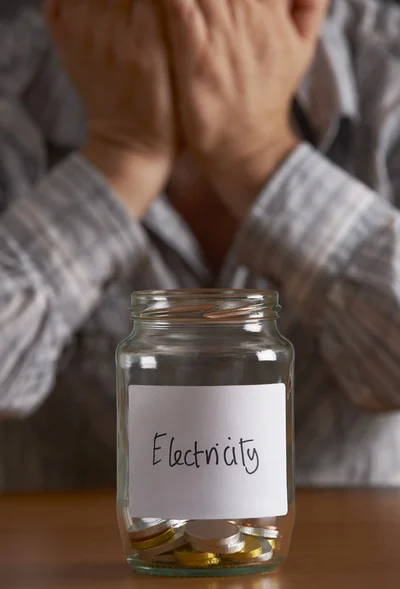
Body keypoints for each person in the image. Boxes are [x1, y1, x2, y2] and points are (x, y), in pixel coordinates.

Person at [1, 0, 400, 491]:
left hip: (351, 561)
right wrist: (121, 155)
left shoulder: (387, 65)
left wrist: (259, 156)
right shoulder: (11, 73)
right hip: (76, 562)